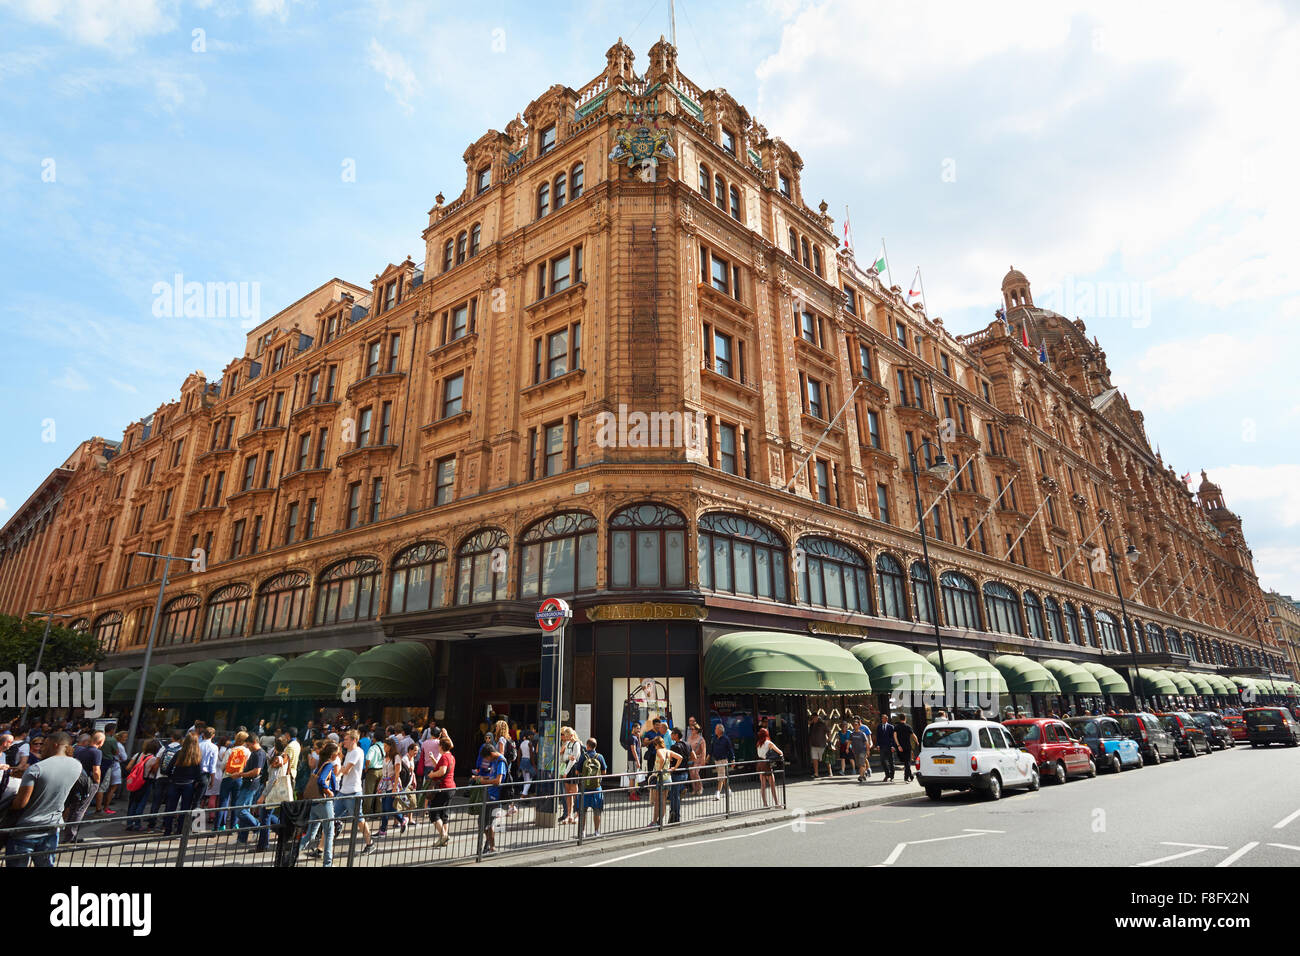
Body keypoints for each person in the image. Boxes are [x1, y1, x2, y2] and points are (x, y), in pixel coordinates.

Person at [4, 732, 81, 866]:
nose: (41, 748)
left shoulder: (36, 768)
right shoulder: (76, 766)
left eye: (44, 745)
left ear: (55, 745)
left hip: (25, 830)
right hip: (51, 828)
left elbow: (20, 804)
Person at [334, 730, 375, 854]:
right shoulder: (350, 752)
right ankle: (321, 849)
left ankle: (370, 843)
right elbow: (343, 770)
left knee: (359, 820)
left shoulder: (357, 752)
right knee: (331, 817)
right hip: (344, 791)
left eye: (346, 739)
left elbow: (346, 770)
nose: (343, 741)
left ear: (354, 740)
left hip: (353, 792)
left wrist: (337, 766)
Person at [299, 740, 339, 866]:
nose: (338, 756)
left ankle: (292, 854)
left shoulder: (320, 764)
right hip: (324, 803)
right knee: (329, 833)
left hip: (314, 803)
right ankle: (327, 863)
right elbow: (322, 781)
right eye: (337, 754)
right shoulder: (328, 765)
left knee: (310, 834)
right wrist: (329, 792)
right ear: (333, 755)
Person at [161, 733, 203, 836]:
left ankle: (167, 830)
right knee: (185, 809)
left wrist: (172, 777)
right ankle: (180, 831)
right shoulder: (197, 756)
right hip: (189, 784)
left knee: (170, 807)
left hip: (175, 783)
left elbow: (168, 769)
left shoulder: (179, 753)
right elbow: (198, 773)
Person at [472, 744, 509, 854]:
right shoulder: (495, 760)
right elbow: (493, 776)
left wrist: (484, 782)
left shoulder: (500, 761)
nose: (486, 760)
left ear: (491, 754)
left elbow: (498, 780)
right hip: (490, 794)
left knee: (487, 823)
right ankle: (488, 847)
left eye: (486, 758)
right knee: (483, 823)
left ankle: (491, 847)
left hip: (495, 797)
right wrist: (481, 778)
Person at [232, 735, 268, 844]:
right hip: (249, 784)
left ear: (253, 742)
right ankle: (242, 838)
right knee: (244, 810)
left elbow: (257, 771)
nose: (248, 748)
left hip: (251, 785)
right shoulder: (255, 753)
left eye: (248, 745)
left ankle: (257, 826)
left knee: (240, 810)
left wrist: (240, 774)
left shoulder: (259, 754)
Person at [123, 740, 161, 832]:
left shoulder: (138, 754)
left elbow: (128, 767)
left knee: (132, 802)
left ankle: (129, 823)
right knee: (141, 803)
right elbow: (154, 772)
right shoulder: (153, 759)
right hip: (146, 782)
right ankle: (137, 824)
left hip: (135, 781)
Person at [426, 730, 455, 848]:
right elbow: (442, 767)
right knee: (444, 814)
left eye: (439, 745)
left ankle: (443, 835)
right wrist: (434, 760)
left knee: (434, 813)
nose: (437, 746)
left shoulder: (444, 757)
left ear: (442, 746)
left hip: (443, 788)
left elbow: (442, 771)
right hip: (451, 787)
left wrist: (432, 775)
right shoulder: (451, 757)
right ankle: (444, 839)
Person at [215, 731, 249, 830]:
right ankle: (234, 825)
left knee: (223, 802)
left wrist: (225, 772)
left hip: (227, 777)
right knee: (235, 803)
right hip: (239, 778)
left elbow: (223, 765)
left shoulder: (230, 750)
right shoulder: (247, 751)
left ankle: (219, 826)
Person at [647, 734, 682, 825]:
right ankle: (660, 821)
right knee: (663, 802)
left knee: (657, 802)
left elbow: (662, 759)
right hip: (668, 778)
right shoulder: (668, 751)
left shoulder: (659, 751)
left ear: (657, 744)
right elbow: (680, 757)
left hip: (660, 779)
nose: (654, 747)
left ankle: (654, 822)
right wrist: (674, 768)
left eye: (654, 745)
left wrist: (659, 770)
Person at [576, 737, 608, 836]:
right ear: (595, 746)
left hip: (585, 787)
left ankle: (582, 832)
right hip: (597, 788)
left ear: (587, 745)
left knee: (583, 811)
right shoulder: (600, 757)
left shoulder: (583, 756)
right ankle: (596, 831)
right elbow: (604, 771)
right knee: (597, 810)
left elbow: (577, 771)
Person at [754, 727, 783, 808]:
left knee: (763, 785)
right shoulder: (768, 743)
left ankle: (765, 804)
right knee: (772, 785)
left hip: (759, 764)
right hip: (766, 764)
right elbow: (780, 752)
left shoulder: (758, 743)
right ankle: (777, 803)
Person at [558, 726, 582, 824]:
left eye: (568, 736)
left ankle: (578, 814)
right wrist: (568, 756)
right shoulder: (568, 743)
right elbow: (564, 758)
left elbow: (574, 759)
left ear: (572, 735)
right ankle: (569, 814)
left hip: (572, 770)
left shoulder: (576, 744)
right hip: (567, 769)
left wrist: (566, 772)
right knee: (568, 793)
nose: (566, 739)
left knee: (575, 793)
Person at [668, 727, 691, 823]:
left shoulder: (674, 747)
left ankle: (675, 816)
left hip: (677, 774)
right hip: (685, 773)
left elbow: (671, 760)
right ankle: (675, 815)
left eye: (672, 733)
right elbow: (693, 756)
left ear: (676, 735)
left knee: (674, 795)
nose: (671, 735)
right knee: (676, 794)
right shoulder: (688, 744)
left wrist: (673, 767)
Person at [710, 722, 734, 800]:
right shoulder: (714, 738)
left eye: (716, 729)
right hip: (717, 760)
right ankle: (729, 790)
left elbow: (730, 749)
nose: (715, 730)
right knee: (723, 776)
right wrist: (708, 757)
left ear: (720, 730)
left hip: (723, 760)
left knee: (721, 776)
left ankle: (718, 792)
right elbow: (712, 748)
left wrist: (733, 759)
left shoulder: (726, 739)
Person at [686, 717, 707, 795]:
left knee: (695, 773)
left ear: (697, 730)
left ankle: (700, 787)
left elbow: (704, 750)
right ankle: (694, 789)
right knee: (691, 774)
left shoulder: (701, 739)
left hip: (698, 758)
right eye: (691, 729)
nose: (692, 731)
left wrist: (703, 760)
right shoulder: (689, 738)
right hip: (691, 758)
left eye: (693, 729)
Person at [894, 715, 917, 783]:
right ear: (905, 719)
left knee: (906, 762)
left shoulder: (896, 727)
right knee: (907, 762)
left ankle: (909, 776)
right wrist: (917, 742)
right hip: (907, 747)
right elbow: (913, 735)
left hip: (900, 747)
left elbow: (895, 736)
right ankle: (907, 777)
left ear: (899, 719)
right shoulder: (908, 726)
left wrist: (898, 745)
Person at [849, 718, 873, 783]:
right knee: (859, 765)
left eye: (856, 724)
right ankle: (864, 774)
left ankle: (861, 776)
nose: (855, 726)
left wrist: (868, 750)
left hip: (863, 750)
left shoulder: (863, 733)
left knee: (862, 763)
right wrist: (847, 748)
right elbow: (849, 741)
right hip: (856, 751)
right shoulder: (852, 733)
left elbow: (867, 742)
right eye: (853, 725)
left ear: (859, 725)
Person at [877, 715, 897, 782]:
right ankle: (887, 774)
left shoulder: (891, 727)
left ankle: (892, 776)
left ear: (886, 719)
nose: (883, 719)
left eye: (884, 718)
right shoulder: (879, 726)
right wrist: (878, 745)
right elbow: (878, 737)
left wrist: (893, 746)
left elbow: (894, 737)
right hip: (882, 746)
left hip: (889, 746)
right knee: (882, 760)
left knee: (891, 762)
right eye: (882, 718)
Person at [518, 730, 535, 796]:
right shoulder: (530, 744)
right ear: (529, 736)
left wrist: (519, 764)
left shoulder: (522, 743)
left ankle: (525, 795)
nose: (533, 737)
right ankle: (523, 795)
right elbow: (531, 756)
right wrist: (534, 766)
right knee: (529, 780)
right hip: (528, 762)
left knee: (525, 779)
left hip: (522, 761)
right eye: (532, 735)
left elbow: (519, 755)